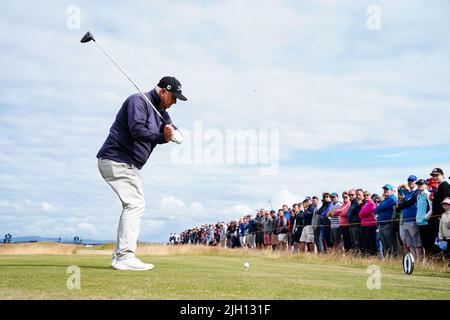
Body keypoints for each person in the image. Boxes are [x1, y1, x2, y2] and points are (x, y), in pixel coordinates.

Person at [97, 76, 187, 271]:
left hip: (128, 164)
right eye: (173, 97)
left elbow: (173, 130)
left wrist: (175, 134)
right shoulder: (138, 101)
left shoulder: (161, 111)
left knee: (134, 204)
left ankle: (120, 256)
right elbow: (137, 130)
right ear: (163, 91)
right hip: (117, 159)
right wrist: (163, 138)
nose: (175, 102)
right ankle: (124, 257)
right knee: (135, 204)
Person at [397, 175, 423, 261]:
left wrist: (401, 206)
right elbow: (401, 204)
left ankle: (419, 262)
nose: (410, 182)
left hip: (413, 220)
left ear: (416, 182)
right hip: (406, 220)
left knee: (417, 243)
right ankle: (413, 261)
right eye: (409, 181)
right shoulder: (408, 194)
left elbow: (409, 203)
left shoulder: (417, 192)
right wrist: (401, 205)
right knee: (410, 244)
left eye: (412, 181)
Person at [429, 168, 450, 255]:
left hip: (442, 217)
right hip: (438, 217)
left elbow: (447, 200)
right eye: (433, 176)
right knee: (440, 240)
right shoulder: (439, 186)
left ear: (442, 175)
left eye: (437, 175)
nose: (435, 177)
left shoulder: (444, 185)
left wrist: (443, 215)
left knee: (444, 240)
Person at [375, 184, 398, 258]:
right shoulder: (385, 199)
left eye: (387, 189)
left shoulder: (392, 198)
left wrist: (380, 207)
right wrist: (380, 207)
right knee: (384, 244)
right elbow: (376, 210)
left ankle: (393, 260)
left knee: (390, 243)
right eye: (384, 189)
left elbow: (379, 208)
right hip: (382, 224)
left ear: (392, 190)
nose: (385, 191)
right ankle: (387, 260)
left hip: (388, 224)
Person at [416, 179, 434, 256]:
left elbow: (432, 208)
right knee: (423, 244)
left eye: (421, 184)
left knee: (429, 244)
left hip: (426, 222)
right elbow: (418, 209)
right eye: (418, 184)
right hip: (419, 223)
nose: (420, 186)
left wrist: (425, 217)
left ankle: (431, 261)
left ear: (426, 185)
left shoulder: (428, 194)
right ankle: (427, 261)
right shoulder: (419, 196)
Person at [359, 191, 377, 256]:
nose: (366, 196)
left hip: (370, 225)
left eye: (367, 195)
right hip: (364, 225)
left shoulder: (371, 203)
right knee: (366, 241)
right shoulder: (364, 204)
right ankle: (369, 255)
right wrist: (362, 214)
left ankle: (373, 255)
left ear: (370, 195)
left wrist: (362, 214)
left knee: (371, 241)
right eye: (364, 195)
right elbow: (360, 214)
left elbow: (364, 213)